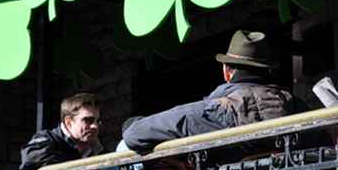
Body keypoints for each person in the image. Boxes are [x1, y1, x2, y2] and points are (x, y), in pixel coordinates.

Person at [123, 30, 294, 154]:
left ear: (227, 71)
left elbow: (134, 134)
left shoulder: (214, 111)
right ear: (268, 71)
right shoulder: (299, 109)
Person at [20, 93, 104, 170]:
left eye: (98, 121)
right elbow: (31, 157)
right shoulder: (48, 138)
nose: (95, 126)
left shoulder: (96, 147)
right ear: (68, 122)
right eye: (88, 120)